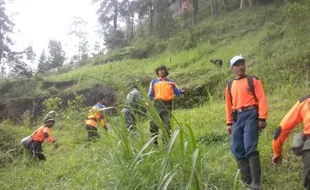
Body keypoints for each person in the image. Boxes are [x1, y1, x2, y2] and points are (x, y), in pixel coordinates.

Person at [225, 55, 268, 190]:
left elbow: (261, 99)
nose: (241, 67)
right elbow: (228, 105)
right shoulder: (230, 85)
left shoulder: (253, 80)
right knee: (237, 148)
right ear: (232, 68)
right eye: (237, 65)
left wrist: (262, 118)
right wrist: (229, 122)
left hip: (251, 115)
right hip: (237, 117)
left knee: (250, 146)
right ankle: (246, 181)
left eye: (242, 63)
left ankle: (256, 183)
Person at [272, 94, 310, 189]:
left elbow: (281, 130)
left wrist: (277, 152)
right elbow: (281, 130)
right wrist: (277, 152)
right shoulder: (304, 102)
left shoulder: (305, 101)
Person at [148, 65, 186, 145]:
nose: (161, 72)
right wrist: (147, 102)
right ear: (157, 72)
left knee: (167, 125)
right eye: (159, 70)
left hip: (167, 106)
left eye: (162, 70)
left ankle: (166, 143)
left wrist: (183, 91)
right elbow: (150, 94)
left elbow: (177, 91)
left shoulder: (171, 82)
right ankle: (154, 143)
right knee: (154, 124)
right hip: (157, 105)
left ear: (165, 71)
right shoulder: (154, 82)